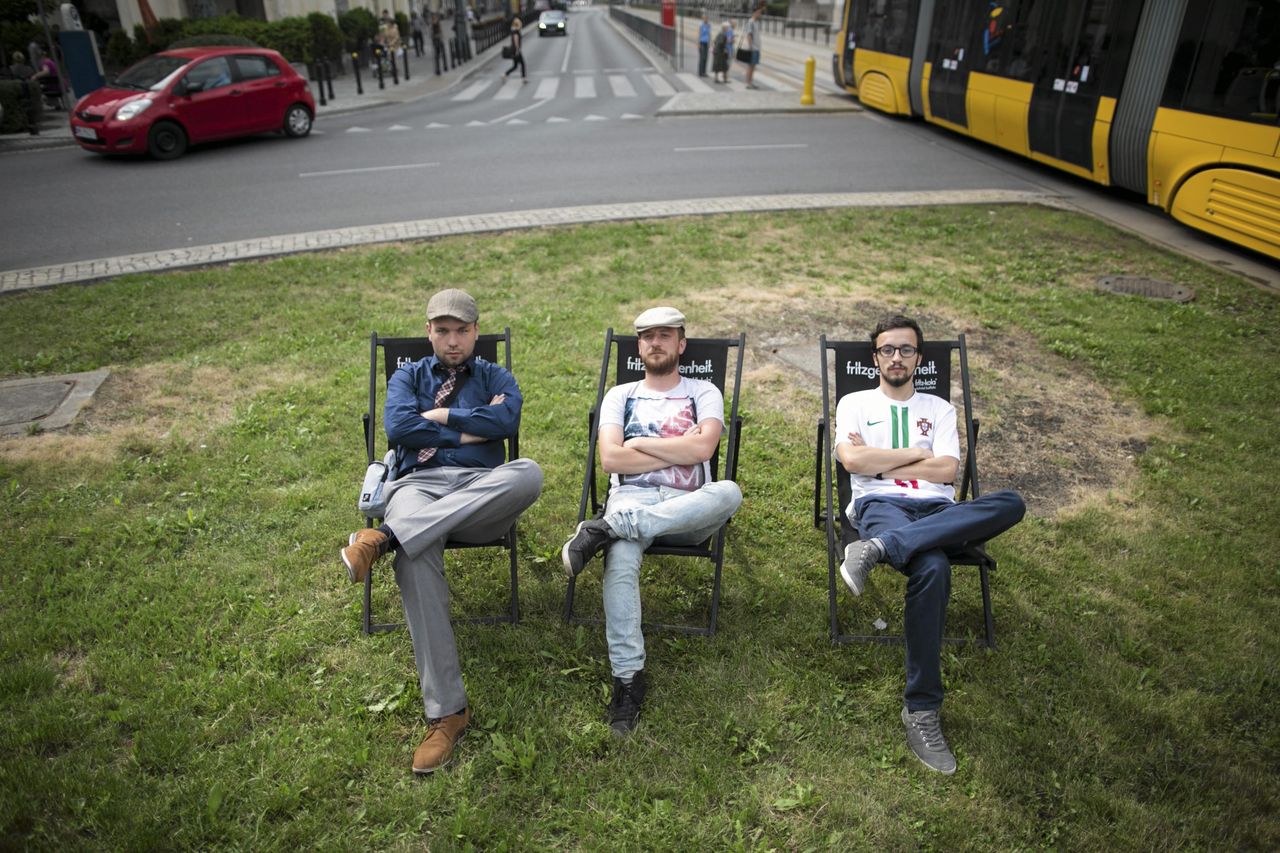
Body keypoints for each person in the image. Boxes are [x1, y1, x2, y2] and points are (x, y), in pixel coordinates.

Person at [340, 288, 543, 775]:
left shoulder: (496, 375)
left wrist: (439, 415)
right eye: (442, 331)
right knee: (415, 556)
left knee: (529, 471)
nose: (452, 341)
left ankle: (384, 537)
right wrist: (472, 430)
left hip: (481, 490)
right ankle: (447, 713)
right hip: (418, 486)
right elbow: (398, 427)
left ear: (476, 332)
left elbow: (507, 418)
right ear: (429, 331)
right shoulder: (407, 375)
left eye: (462, 331)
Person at [833, 315, 1025, 775]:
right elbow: (852, 459)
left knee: (1011, 502)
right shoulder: (854, 402)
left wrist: (882, 462)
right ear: (874, 357)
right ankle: (922, 708)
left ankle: (878, 549)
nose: (896, 358)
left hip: (939, 510)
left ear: (919, 358)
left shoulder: (939, 409)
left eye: (905, 350)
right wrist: (917, 455)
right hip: (881, 505)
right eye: (887, 350)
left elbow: (947, 473)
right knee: (934, 567)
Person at [561, 307, 743, 736]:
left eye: (666, 335)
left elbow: (703, 451)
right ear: (639, 347)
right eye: (648, 336)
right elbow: (611, 458)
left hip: (689, 508)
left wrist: (640, 441)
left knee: (729, 491)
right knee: (620, 563)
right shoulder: (619, 395)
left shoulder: (704, 391)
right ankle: (627, 680)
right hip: (631, 500)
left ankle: (603, 531)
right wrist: (676, 445)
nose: (656, 342)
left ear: (681, 344)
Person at [742, 3, 764, 89]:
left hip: (757, 48)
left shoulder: (756, 22)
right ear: (754, 13)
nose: (759, 14)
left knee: (753, 66)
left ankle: (751, 82)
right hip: (752, 49)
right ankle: (748, 83)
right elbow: (749, 35)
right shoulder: (750, 22)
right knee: (750, 66)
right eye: (758, 12)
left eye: (760, 12)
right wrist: (751, 47)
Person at [502, 17, 525, 82]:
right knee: (522, 64)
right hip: (516, 50)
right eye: (520, 23)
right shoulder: (516, 32)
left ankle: (505, 74)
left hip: (514, 50)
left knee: (515, 66)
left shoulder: (513, 31)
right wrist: (518, 50)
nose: (521, 24)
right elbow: (516, 42)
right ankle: (524, 78)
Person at [697, 12, 711, 77]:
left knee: (706, 58)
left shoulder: (709, 25)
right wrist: (698, 43)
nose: (706, 19)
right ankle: (700, 72)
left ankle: (704, 72)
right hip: (702, 42)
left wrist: (709, 43)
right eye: (705, 18)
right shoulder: (701, 25)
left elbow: (709, 34)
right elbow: (699, 34)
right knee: (702, 58)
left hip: (706, 43)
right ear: (703, 19)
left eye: (707, 18)